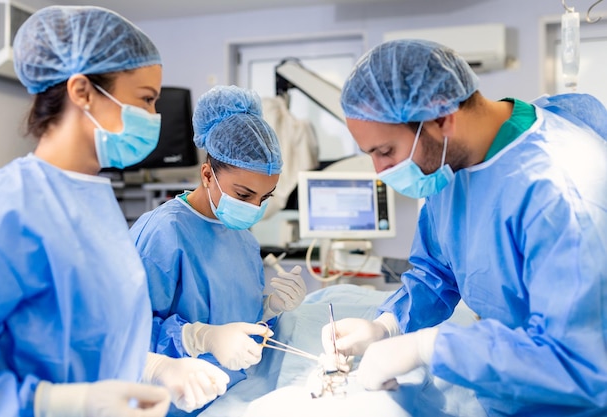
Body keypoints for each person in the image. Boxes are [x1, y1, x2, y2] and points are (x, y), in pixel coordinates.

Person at [322, 39, 607, 416]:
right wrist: (388, 325)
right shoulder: (451, 167)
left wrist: (429, 348)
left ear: (441, 120)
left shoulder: (559, 192)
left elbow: (577, 358)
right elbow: (437, 271)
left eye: (386, 151)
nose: (380, 171)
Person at [0, 6, 229, 417]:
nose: (153, 117)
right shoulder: (7, 205)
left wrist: (156, 369)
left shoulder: (94, 199)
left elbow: (103, 332)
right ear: (82, 92)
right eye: (146, 99)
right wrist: (62, 403)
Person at [130, 85, 307, 414]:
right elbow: (126, 337)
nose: (254, 208)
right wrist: (202, 337)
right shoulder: (163, 233)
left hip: (230, 396)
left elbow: (237, 317)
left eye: (263, 198)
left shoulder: (242, 237)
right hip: (175, 403)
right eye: (244, 194)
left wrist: (270, 307)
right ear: (208, 174)